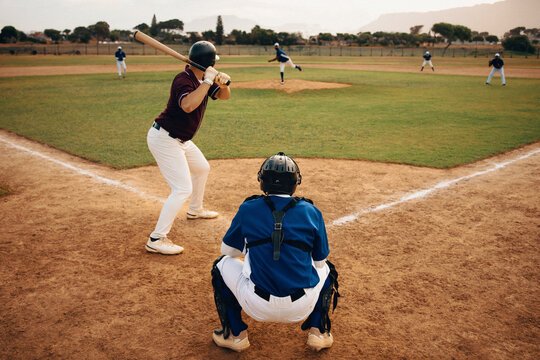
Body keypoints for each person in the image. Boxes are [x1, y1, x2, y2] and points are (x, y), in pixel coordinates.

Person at [210, 152, 340, 352]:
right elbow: (320, 262)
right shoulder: (312, 211)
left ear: (262, 181)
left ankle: (236, 336)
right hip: (301, 305)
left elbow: (227, 251)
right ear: (295, 182)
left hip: (257, 304)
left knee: (221, 265)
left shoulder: (248, 208)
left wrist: (254, 245)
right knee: (328, 269)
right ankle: (318, 333)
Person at [145, 41, 231, 255]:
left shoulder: (203, 79)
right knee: (182, 188)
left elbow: (224, 96)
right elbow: (188, 105)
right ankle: (156, 239)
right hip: (164, 138)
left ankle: (195, 210)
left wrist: (223, 83)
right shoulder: (183, 80)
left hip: (182, 139)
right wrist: (207, 81)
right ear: (209, 62)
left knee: (202, 168)